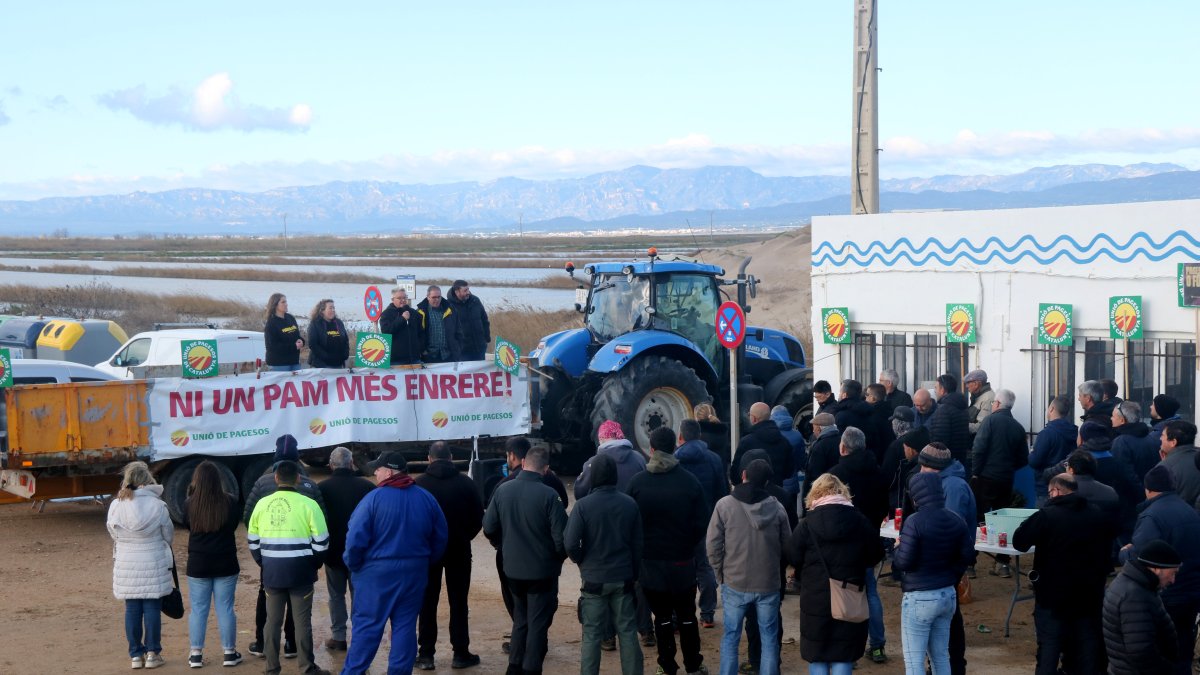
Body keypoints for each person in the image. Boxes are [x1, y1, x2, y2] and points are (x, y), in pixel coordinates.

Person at [342, 452, 448, 675]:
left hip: (376, 575)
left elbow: (354, 540)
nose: (375, 474)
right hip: (414, 573)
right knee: (405, 627)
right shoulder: (426, 498)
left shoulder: (372, 499)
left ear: (389, 472)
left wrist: (354, 564)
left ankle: (354, 672)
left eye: (377, 470)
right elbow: (440, 537)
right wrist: (424, 562)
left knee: (368, 628)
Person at [1013, 474, 1116, 675]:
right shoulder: (1097, 515)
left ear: (1056, 491)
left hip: (1053, 597)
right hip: (1089, 595)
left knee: (1049, 647)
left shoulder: (1046, 515)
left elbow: (1020, 541)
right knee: (1088, 647)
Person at [626, 426, 709, 675]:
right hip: (682, 561)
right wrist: (686, 544)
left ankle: (667, 665)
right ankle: (693, 664)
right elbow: (702, 522)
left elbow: (630, 522)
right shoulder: (689, 481)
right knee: (686, 616)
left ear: (651, 450)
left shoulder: (637, 483)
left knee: (661, 617)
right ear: (675, 447)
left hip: (650, 563)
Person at [483, 447, 568, 675]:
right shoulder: (550, 495)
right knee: (538, 624)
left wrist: (503, 545)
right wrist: (556, 559)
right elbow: (562, 538)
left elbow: (489, 527)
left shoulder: (502, 490)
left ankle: (513, 667)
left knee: (521, 620)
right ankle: (531, 669)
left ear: (522, 463)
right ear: (546, 469)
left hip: (512, 570)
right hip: (542, 572)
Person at [788, 473, 883, 675]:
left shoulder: (806, 524)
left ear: (815, 494)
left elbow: (792, 555)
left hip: (815, 596)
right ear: (843, 492)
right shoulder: (859, 520)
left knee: (817, 652)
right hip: (849, 593)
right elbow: (876, 554)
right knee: (843, 652)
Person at [243, 434, 327, 659]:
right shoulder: (307, 482)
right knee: (299, 605)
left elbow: (249, 517)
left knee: (268, 602)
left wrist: (262, 558)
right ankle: (292, 644)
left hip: (270, 558)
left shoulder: (262, 482)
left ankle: (263, 645)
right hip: (301, 558)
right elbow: (322, 523)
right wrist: (313, 560)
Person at [707, 458, 790, 675]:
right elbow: (786, 545)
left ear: (743, 475)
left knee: (731, 637)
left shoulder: (724, 505)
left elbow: (713, 545)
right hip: (767, 583)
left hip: (735, 581)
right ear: (766, 482)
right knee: (769, 638)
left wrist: (720, 573)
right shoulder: (777, 507)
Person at [565, 454, 645, 675]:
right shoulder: (629, 504)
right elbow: (638, 545)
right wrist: (633, 572)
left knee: (592, 634)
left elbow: (570, 543)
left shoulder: (582, 506)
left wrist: (582, 561)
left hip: (593, 578)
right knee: (628, 632)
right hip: (623, 577)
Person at [1120, 464, 1200, 675]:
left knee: (1162, 649)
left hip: (1168, 594)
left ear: (1148, 489)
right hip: (1191, 592)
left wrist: (1124, 553)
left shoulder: (1152, 516)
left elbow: (1142, 556)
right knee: (1183, 648)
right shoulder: (1189, 510)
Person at [891, 471, 974, 675]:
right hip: (947, 594)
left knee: (914, 662)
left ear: (916, 496)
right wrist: (951, 575)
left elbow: (904, 562)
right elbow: (967, 556)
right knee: (940, 657)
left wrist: (896, 548)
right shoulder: (956, 519)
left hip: (920, 597)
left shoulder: (914, 522)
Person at [416, 441, 485, 670]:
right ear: (452, 456)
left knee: (427, 602)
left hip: (428, 553)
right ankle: (460, 653)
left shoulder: (419, 485)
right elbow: (478, 518)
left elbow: (414, 523)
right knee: (459, 602)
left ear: (429, 459)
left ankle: (426, 655)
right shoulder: (466, 483)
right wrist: (464, 537)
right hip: (459, 550)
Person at [827, 426, 888, 664]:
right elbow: (884, 507)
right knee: (870, 592)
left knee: (843, 596)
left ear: (843, 447)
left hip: (842, 545)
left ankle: (847, 652)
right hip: (869, 541)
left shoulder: (835, 475)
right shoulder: (878, 471)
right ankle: (877, 645)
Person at [915, 443, 976, 674]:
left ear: (935, 467)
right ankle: (943, 665)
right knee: (947, 617)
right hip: (945, 564)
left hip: (947, 564)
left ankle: (954, 666)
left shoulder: (952, 487)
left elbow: (947, 529)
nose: (920, 471)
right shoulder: (946, 483)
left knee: (949, 619)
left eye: (923, 466)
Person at [108, 461, 174, 671]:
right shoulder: (158, 506)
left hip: (127, 562)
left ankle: (136, 654)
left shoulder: (117, 505)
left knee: (132, 609)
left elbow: (113, 533)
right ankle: (153, 653)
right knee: (152, 607)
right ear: (148, 480)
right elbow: (168, 536)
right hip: (153, 560)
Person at [183, 460, 243, 668]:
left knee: (198, 609)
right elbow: (234, 525)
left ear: (196, 480)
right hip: (226, 561)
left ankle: (196, 654)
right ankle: (229, 652)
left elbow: (186, 524)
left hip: (198, 563)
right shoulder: (230, 502)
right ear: (219, 480)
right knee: (225, 608)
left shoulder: (190, 504)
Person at [315, 447, 374, 652]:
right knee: (358, 595)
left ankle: (339, 637)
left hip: (332, 553)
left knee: (336, 596)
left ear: (331, 465)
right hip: (361, 553)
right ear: (351, 464)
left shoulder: (321, 488)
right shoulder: (367, 487)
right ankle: (359, 636)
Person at [969, 388, 1027, 578]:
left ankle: (970, 563)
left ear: (997, 404)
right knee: (1003, 521)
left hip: (985, 478)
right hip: (1005, 479)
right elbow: (1023, 459)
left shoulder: (990, 421)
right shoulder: (1018, 427)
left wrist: (975, 472)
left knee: (977, 519)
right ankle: (1002, 563)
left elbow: (979, 449)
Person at [676, 418, 728, 628]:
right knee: (705, 567)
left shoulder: (675, 459)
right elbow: (722, 491)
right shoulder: (714, 459)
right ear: (699, 435)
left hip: (680, 522)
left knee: (681, 567)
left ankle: (681, 613)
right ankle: (707, 613)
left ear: (681, 436)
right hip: (707, 520)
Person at [1103, 539, 1181, 674]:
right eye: (1172, 573)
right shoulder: (1134, 597)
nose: (1173, 580)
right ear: (1156, 568)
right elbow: (1141, 651)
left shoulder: (1137, 584)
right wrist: (1166, 669)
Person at [575, 420, 647, 500]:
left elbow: (579, 492)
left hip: (602, 510)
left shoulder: (593, 463)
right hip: (633, 510)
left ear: (601, 438)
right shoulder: (639, 459)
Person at [731, 401, 793, 487]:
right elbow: (789, 472)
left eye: (749, 414)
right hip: (776, 492)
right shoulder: (784, 441)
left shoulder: (746, 442)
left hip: (751, 495)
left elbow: (735, 474)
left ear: (754, 418)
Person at [1029, 396, 1077, 501]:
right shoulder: (1075, 432)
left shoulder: (1046, 434)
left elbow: (1034, 461)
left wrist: (1032, 452)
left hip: (1047, 487)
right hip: (1068, 486)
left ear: (1051, 409)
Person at [926, 374, 971, 466]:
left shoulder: (944, 409)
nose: (935, 391)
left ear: (942, 390)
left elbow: (939, 440)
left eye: (936, 388)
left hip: (945, 462)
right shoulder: (961, 407)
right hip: (959, 458)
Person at [417, 285, 463, 363]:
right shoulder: (420, 312)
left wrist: (457, 350)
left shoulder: (451, 310)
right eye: (434, 297)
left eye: (439, 297)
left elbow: (459, 332)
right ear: (428, 297)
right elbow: (417, 335)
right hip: (428, 356)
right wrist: (423, 351)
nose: (437, 299)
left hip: (448, 356)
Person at [1158, 420, 1200, 506]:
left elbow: (1158, 502)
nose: (1160, 438)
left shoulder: (1165, 468)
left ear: (1173, 442)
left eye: (1163, 435)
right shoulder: (1197, 457)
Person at [380, 287, 425, 365]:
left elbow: (421, 333)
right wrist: (402, 319)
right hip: (396, 360)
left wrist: (420, 348)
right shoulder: (386, 314)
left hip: (414, 358)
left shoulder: (414, 313)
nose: (403, 300)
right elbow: (386, 332)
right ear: (393, 299)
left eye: (405, 298)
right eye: (399, 298)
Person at [803, 412, 842, 503]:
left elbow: (813, 473)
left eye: (814, 428)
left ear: (820, 429)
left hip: (822, 491)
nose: (813, 431)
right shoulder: (841, 440)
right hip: (838, 488)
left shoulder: (819, 446)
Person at [449, 279, 491, 361]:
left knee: (480, 372)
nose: (468, 292)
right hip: (463, 351)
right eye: (465, 290)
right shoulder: (449, 306)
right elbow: (449, 330)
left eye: (468, 289)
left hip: (480, 348)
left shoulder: (475, 300)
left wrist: (486, 338)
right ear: (457, 292)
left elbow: (484, 320)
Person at [1111, 400, 1152, 480]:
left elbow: (1124, 474)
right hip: (1151, 489)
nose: (1111, 418)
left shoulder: (1121, 442)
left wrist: (1140, 491)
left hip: (1131, 491)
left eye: (1113, 416)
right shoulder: (1150, 436)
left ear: (1122, 420)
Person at [771, 404, 807, 496]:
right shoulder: (797, 435)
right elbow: (801, 460)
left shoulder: (770, 435)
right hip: (792, 484)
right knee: (791, 510)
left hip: (774, 485)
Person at [264, 292, 304, 371]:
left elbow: (297, 336)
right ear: (275, 305)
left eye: (286, 302)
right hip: (279, 364)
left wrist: (301, 341)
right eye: (283, 302)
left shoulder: (290, 318)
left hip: (294, 361)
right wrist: (294, 346)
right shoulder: (271, 323)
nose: (286, 304)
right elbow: (272, 346)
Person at [306, 298, 349, 368]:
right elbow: (312, 344)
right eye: (330, 308)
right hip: (321, 364)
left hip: (338, 363)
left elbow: (345, 340)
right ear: (322, 311)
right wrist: (327, 357)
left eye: (334, 308)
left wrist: (345, 355)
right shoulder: (315, 323)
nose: (333, 310)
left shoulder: (339, 323)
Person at [694, 403, 732, 473]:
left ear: (697, 417)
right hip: (721, 471)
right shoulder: (723, 431)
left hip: (703, 473)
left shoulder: (697, 435)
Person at [862, 384, 895, 462]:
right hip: (888, 455)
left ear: (873, 398)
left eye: (866, 395)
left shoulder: (871, 416)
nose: (865, 397)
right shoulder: (890, 411)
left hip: (876, 458)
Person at [963, 369, 995, 435]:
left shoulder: (988, 398)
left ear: (976, 384)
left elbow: (981, 426)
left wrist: (960, 426)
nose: (966, 386)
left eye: (968, 383)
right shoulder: (977, 396)